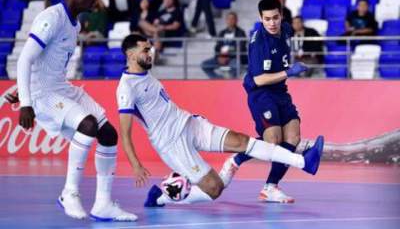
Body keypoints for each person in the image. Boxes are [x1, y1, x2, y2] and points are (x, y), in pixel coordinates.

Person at [116, 34, 324, 208]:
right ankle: (162, 196)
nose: (150, 53)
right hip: (171, 143)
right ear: (130, 54)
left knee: (241, 141)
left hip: (188, 123)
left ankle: (304, 162)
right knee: (214, 188)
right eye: (145, 50)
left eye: (150, 49)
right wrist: (136, 165)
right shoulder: (126, 88)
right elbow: (125, 134)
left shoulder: (146, 75)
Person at [14, 0, 136, 221]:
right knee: (88, 125)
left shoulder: (75, 24)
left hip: (61, 88)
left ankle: (103, 204)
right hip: (43, 94)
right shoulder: (51, 18)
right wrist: (26, 102)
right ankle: (69, 193)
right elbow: (25, 59)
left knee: (108, 134)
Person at [219, 0, 313, 203]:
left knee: (293, 137)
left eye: (275, 18)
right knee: (272, 142)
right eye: (267, 19)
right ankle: (237, 158)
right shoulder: (259, 42)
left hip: (280, 91)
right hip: (261, 93)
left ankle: (270, 187)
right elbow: (259, 79)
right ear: (261, 18)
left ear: (281, 16)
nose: (272, 23)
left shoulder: (286, 29)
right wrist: (289, 71)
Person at [201, 11, 247, 79]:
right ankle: (219, 80)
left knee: (236, 66)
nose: (230, 21)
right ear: (226, 20)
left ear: (236, 20)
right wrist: (220, 56)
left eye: (232, 19)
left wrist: (228, 56)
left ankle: (230, 82)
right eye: (228, 19)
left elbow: (240, 48)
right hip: (221, 57)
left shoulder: (241, 33)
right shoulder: (222, 33)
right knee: (205, 65)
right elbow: (217, 47)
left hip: (234, 58)